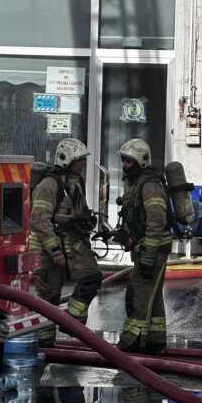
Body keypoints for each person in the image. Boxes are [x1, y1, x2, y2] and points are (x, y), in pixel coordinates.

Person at [30, 138, 102, 347]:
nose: (83, 164)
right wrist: (54, 251)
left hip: (69, 245)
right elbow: (39, 220)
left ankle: (72, 319)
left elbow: (77, 212)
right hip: (46, 249)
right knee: (49, 297)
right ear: (66, 160)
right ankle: (44, 344)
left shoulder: (76, 183)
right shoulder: (49, 185)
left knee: (92, 276)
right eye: (79, 160)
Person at [116, 138, 172, 354]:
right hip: (146, 247)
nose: (124, 165)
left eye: (128, 162)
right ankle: (155, 341)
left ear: (141, 161)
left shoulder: (150, 185)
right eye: (123, 161)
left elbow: (156, 220)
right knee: (153, 295)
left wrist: (148, 252)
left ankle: (131, 341)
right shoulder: (137, 183)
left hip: (154, 249)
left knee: (138, 294)